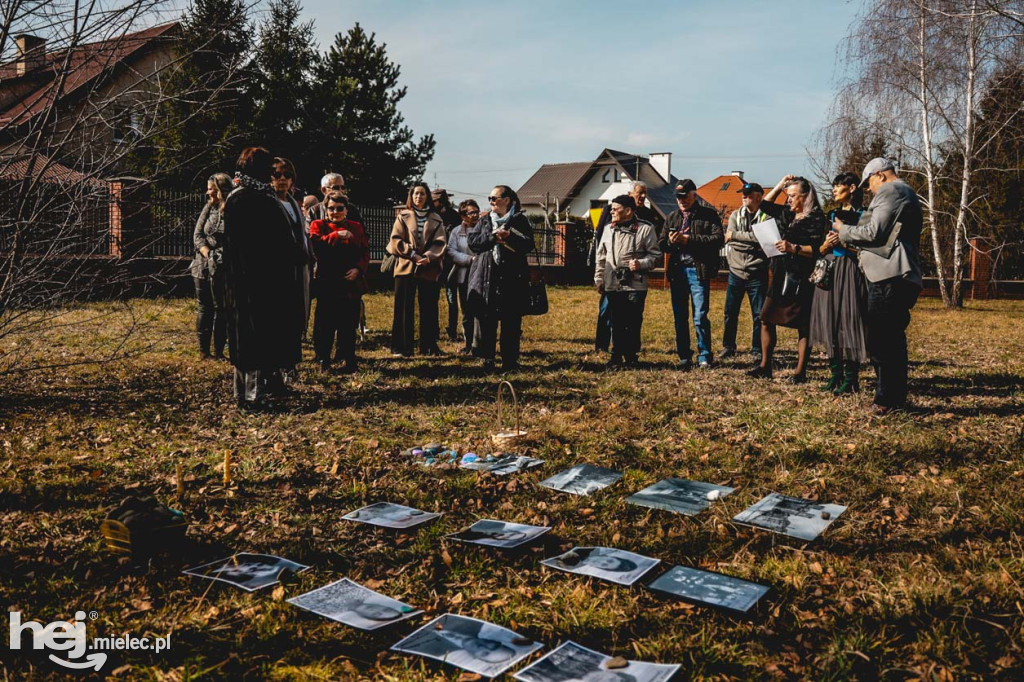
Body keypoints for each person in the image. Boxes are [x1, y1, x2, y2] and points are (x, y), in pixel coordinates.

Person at [835, 158, 923, 413]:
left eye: (869, 182)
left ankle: (886, 400)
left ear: (880, 175)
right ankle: (892, 397)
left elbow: (875, 232)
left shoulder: (891, 190)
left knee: (883, 339)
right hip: (890, 274)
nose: (869, 189)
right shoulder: (903, 192)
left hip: (889, 276)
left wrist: (843, 230)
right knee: (888, 338)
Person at [221, 147, 306, 410]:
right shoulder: (257, 200)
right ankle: (251, 397)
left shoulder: (238, 197)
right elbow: (274, 245)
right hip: (260, 282)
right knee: (255, 340)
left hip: (241, 281)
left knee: (244, 338)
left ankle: (243, 394)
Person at [748, 176, 827, 383]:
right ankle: (765, 366)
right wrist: (781, 184)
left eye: (792, 195)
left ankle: (800, 372)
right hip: (780, 273)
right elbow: (763, 204)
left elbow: (820, 250)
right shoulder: (787, 213)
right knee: (765, 317)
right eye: (788, 195)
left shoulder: (817, 218)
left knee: (803, 325)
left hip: (801, 276)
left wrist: (794, 248)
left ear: (805, 196)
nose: (789, 199)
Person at [809, 172, 869, 394]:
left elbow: (867, 246)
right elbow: (820, 248)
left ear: (852, 188)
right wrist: (825, 245)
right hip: (830, 269)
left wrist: (845, 243)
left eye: (838, 186)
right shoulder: (831, 214)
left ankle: (851, 379)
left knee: (849, 321)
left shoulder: (864, 215)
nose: (833, 190)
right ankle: (836, 374)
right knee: (830, 320)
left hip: (851, 269)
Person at [467, 185, 534, 371]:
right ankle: (487, 359)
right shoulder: (485, 220)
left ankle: (510, 361)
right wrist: (492, 238)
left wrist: (509, 236)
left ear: (507, 200)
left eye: (494, 198)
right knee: (487, 320)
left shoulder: (519, 220)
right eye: (489, 198)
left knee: (511, 321)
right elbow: (473, 242)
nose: (490, 202)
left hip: (512, 278)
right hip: (487, 276)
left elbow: (529, 244)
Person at [659, 178, 724, 369]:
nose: (681, 200)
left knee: (700, 315)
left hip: (698, 270)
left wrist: (689, 240)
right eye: (678, 197)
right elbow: (661, 243)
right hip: (677, 271)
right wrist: (671, 242)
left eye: (685, 196)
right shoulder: (672, 217)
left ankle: (704, 355)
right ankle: (684, 355)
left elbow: (718, 239)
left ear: (694, 195)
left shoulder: (709, 215)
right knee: (680, 316)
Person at [590, 181, 660, 354]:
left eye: (615, 209)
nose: (611, 211)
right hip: (612, 283)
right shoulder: (608, 229)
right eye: (612, 209)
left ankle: (631, 355)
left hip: (635, 284)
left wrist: (640, 264)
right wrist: (599, 278)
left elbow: (656, 256)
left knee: (633, 321)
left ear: (628, 211)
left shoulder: (646, 228)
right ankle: (614, 353)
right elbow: (601, 256)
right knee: (615, 320)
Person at [309, 191, 369, 373]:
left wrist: (358, 269)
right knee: (325, 324)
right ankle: (323, 360)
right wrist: (336, 236)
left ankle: (349, 360)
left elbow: (365, 251)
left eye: (339, 208)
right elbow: (316, 246)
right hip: (327, 281)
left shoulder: (356, 227)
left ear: (346, 210)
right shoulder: (318, 225)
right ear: (325, 209)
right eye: (331, 208)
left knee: (348, 323)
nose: (335, 212)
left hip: (350, 282)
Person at [722, 182, 780, 364]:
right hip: (736, 272)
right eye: (743, 194)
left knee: (759, 314)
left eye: (748, 194)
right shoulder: (734, 215)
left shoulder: (767, 217)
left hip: (757, 273)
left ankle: (757, 348)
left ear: (758, 197)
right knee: (730, 312)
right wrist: (753, 240)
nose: (744, 197)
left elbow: (764, 242)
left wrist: (737, 236)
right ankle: (728, 346)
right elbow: (729, 241)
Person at [387, 182, 447, 356]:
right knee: (403, 307)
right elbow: (395, 240)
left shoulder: (436, 218)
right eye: (415, 194)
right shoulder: (402, 216)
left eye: (422, 194)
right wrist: (413, 254)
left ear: (427, 196)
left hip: (428, 267)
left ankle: (428, 346)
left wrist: (428, 257)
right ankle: (402, 347)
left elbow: (440, 242)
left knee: (428, 308)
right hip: (406, 266)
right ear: (411, 196)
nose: (418, 197)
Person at [271, 156, 314, 378]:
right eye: (277, 175)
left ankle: (291, 364)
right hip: (278, 271)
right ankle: (278, 365)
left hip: (298, 270)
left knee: (295, 317)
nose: (282, 180)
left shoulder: (294, 204)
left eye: (287, 175)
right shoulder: (269, 202)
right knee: (279, 319)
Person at [189, 172, 233, 360]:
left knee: (221, 308)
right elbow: (197, 234)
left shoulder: (232, 210)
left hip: (223, 266)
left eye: (213, 190)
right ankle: (203, 351)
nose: (209, 194)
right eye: (208, 190)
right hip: (203, 265)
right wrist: (207, 253)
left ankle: (219, 351)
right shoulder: (208, 208)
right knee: (204, 307)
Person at [446, 199, 481, 354]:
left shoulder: (484, 228)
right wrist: (469, 259)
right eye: (471, 212)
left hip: (481, 274)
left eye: (476, 211)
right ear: (463, 216)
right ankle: (468, 344)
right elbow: (451, 251)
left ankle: (480, 344)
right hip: (464, 274)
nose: (475, 215)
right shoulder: (456, 232)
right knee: (467, 311)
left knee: (481, 311)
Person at [432, 188, 464, 342]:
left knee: (452, 296)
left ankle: (452, 329)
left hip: (450, 262)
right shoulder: (431, 214)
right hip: (435, 262)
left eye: (434, 200)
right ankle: (434, 329)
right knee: (434, 297)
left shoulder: (453, 216)